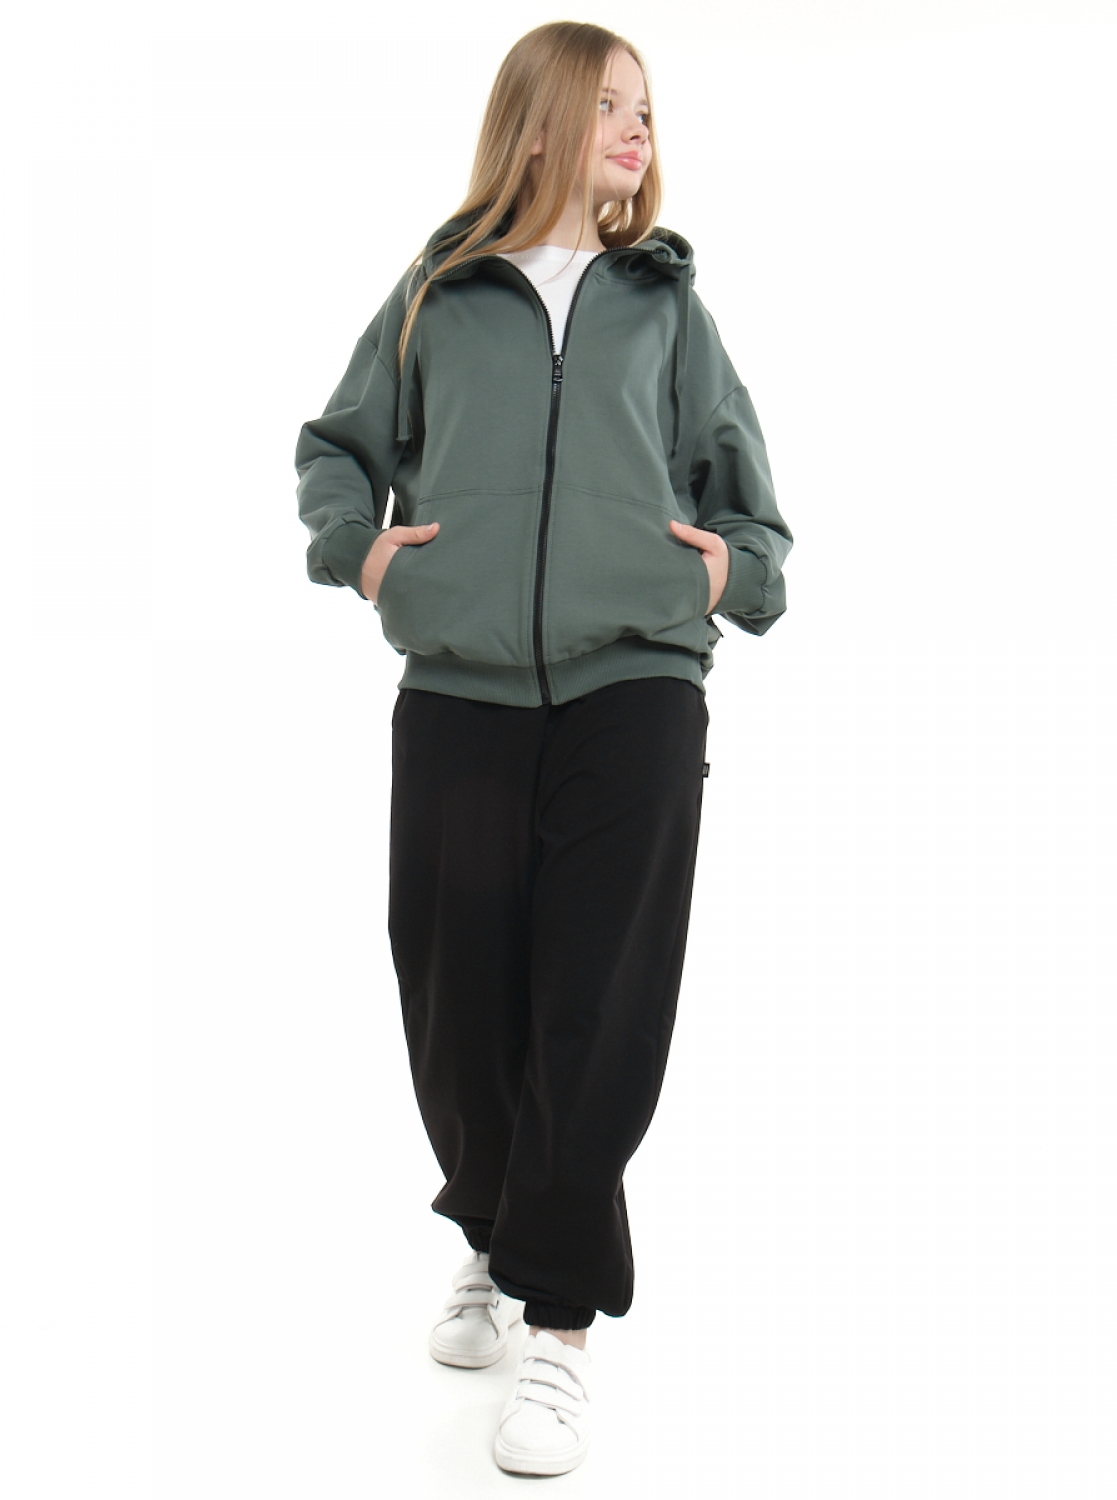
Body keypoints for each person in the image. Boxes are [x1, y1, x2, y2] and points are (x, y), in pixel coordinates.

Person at [295, 20, 792, 1478]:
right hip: (460, 687)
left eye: (646, 106)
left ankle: (559, 1327)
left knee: (597, 999)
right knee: (455, 989)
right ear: (537, 124)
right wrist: (361, 551)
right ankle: (496, 1225)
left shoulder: (668, 308)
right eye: (609, 105)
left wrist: (726, 573)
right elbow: (336, 446)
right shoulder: (435, 295)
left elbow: (754, 511)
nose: (639, 128)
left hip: (637, 687)